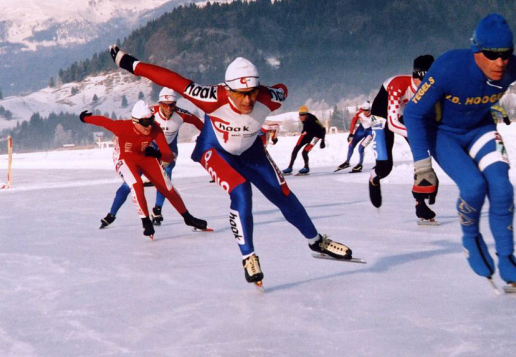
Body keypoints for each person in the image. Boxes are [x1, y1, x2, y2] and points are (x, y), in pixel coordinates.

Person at [109, 46, 354, 285]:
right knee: (240, 190)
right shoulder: (212, 97)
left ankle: (315, 240)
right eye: (241, 94)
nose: (248, 100)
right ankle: (249, 256)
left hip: (250, 150)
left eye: (253, 93)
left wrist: (270, 90)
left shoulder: (268, 98)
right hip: (214, 149)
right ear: (228, 89)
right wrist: (128, 62)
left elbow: (283, 88)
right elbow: (170, 79)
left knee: (283, 193)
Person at [403, 13, 516, 287]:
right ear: (476, 50)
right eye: (491, 54)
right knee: (474, 187)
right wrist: (422, 167)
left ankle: (508, 261)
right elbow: (414, 114)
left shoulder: (515, 69)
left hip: (480, 129)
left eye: (506, 54)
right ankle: (471, 239)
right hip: (444, 135)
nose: (500, 62)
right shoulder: (448, 67)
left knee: (502, 189)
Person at [80, 101, 208, 238]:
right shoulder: (122, 127)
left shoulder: (155, 128)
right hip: (124, 158)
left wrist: (158, 154)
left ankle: (188, 218)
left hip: (145, 157)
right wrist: (85, 118)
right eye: (145, 122)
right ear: (135, 122)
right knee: (136, 185)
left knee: (167, 187)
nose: (150, 125)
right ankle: (146, 222)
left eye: (152, 120)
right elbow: (103, 121)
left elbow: (169, 156)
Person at [368, 54, 436, 224]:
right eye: (425, 83)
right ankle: (374, 177)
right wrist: (418, 135)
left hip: (405, 113)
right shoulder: (399, 85)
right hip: (382, 115)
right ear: (417, 77)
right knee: (385, 167)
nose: (426, 89)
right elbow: (392, 123)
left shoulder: (431, 87)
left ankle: (419, 203)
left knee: (422, 156)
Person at [281, 106, 326, 175]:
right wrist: (303, 131)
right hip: (307, 135)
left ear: (307, 115)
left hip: (316, 136)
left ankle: (306, 167)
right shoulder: (304, 119)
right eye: (299, 115)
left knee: (304, 152)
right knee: (295, 149)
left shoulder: (313, 119)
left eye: (302, 115)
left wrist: (323, 141)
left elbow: (323, 129)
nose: (300, 117)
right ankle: (290, 167)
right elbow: (306, 126)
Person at [336, 101, 373, 173]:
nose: (365, 112)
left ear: (370, 110)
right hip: (361, 129)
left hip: (370, 132)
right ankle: (347, 162)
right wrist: (351, 133)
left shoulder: (375, 114)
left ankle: (360, 164)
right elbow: (353, 121)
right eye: (364, 110)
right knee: (351, 145)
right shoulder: (359, 112)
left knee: (361, 148)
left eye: (367, 111)